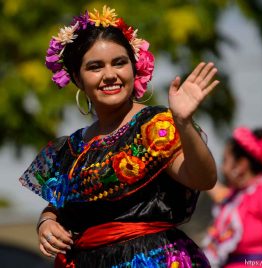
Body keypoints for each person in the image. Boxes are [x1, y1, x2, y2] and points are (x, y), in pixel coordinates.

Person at [19, 4, 220, 267]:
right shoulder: (70, 149)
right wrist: (46, 222)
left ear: (134, 69)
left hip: (152, 260)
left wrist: (183, 122)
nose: (110, 75)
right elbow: (63, 205)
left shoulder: (155, 126)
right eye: (95, 67)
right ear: (78, 79)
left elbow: (204, 179)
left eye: (119, 63)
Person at [202, 127, 262, 268]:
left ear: (241, 164)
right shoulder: (238, 196)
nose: (222, 168)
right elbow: (210, 186)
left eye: (225, 161)